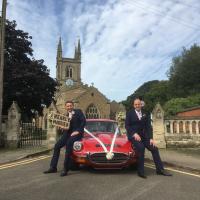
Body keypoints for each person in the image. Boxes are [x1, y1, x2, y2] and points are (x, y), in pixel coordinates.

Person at [125, 98, 172, 178]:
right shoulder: (129, 113)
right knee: (141, 148)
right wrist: (134, 134)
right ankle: (141, 172)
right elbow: (127, 126)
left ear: (141, 105)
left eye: (139, 104)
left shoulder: (145, 113)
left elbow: (148, 127)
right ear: (134, 105)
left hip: (144, 137)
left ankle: (160, 170)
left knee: (154, 148)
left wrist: (151, 138)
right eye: (136, 104)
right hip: (134, 136)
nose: (137, 106)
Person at [44, 100, 86, 177]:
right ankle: (53, 167)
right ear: (65, 107)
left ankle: (65, 169)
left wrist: (78, 131)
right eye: (67, 106)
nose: (69, 107)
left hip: (76, 134)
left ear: (73, 106)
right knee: (57, 146)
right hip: (67, 134)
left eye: (70, 105)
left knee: (68, 146)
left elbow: (83, 122)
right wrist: (62, 128)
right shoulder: (65, 116)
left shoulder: (78, 112)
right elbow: (65, 127)